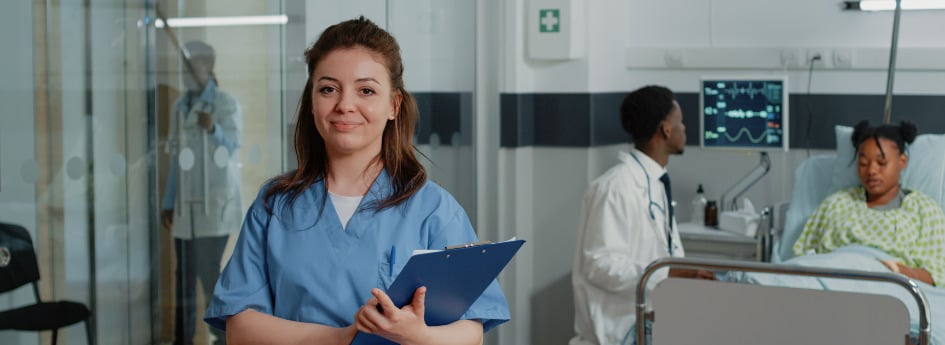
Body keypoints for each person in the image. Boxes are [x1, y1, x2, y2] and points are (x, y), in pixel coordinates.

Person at [203, 17, 509, 345]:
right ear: (311, 102)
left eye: (366, 90)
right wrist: (340, 338)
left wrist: (418, 337)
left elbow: (471, 332)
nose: (345, 105)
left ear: (394, 105)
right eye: (328, 89)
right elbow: (239, 328)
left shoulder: (432, 209)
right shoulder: (274, 206)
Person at [570, 85, 715, 345]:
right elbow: (599, 265)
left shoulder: (653, 182)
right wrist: (668, 274)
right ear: (665, 129)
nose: (685, 129)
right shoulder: (614, 188)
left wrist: (683, 275)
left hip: (652, 316)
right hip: (619, 330)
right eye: (680, 122)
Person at [794, 120, 945, 286]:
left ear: (902, 162)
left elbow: (937, 276)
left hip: (884, 282)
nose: (872, 171)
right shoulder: (836, 204)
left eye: (881, 163)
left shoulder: (923, 210)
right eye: (863, 163)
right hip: (830, 276)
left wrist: (897, 271)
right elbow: (804, 259)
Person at [161, 40, 242, 345]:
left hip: (214, 207)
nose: (186, 73)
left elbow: (233, 147)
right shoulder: (179, 107)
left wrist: (213, 129)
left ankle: (222, 338)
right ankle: (182, 340)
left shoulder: (225, 104)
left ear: (207, 67)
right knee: (182, 277)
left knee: (208, 273)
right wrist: (169, 202)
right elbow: (176, 159)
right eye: (184, 67)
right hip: (186, 207)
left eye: (192, 66)